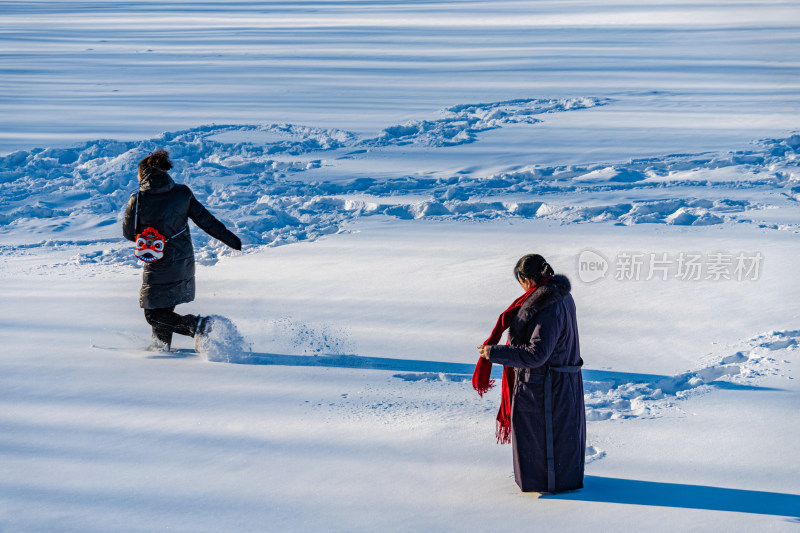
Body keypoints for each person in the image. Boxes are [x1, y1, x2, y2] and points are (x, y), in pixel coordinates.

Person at [474, 254, 585, 493]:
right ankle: (554, 481)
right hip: (560, 384)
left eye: (521, 283)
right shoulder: (562, 297)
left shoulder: (548, 307)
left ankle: (547, 484)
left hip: (546, 389)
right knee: (560, 441)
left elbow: (537, 354)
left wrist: (494, 353)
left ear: (527, 280)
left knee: (546, 442)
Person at [122, 149, 242, 350]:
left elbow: (128, 233)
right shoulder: (182, 193)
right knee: (163, 308)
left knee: (153, 314)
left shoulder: (139, 199)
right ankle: (160, 349)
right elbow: (207, 221)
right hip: (184, 261)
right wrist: (232, 240)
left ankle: (196, 326)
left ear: (143, 174)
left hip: (157, 263)